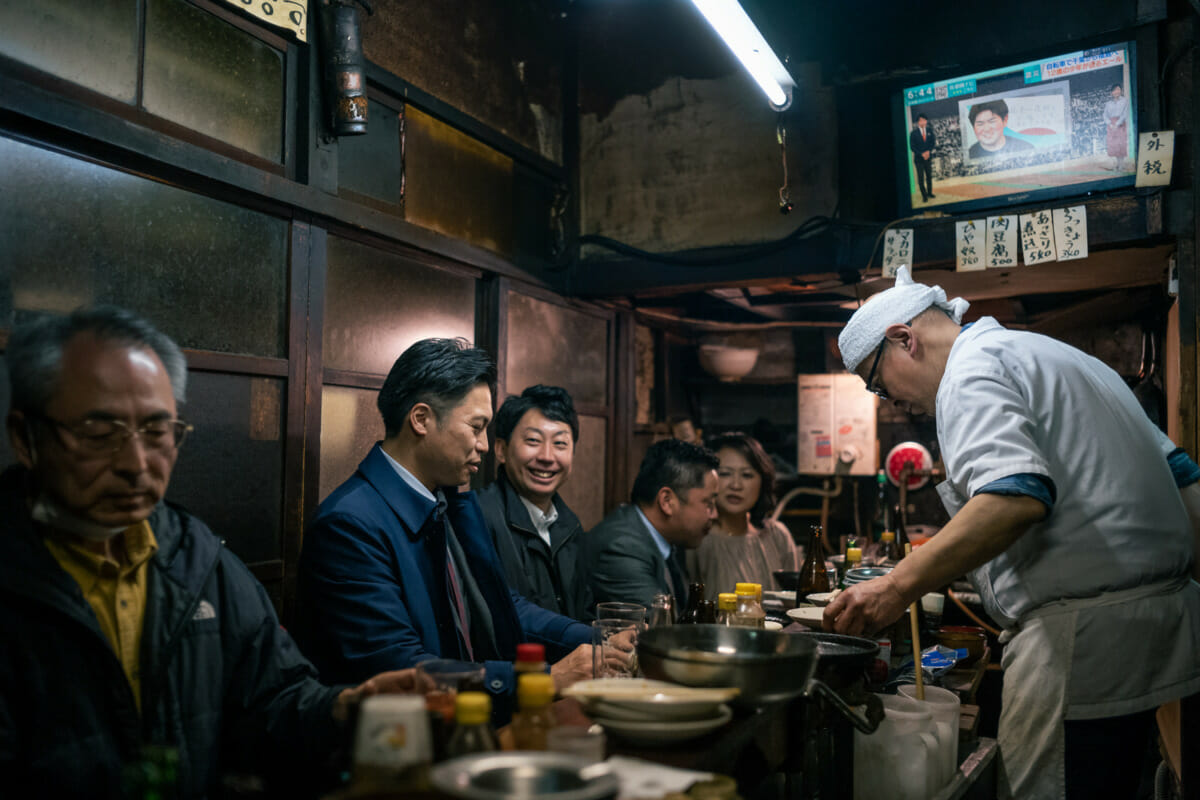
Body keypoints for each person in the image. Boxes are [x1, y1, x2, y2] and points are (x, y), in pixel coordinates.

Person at [0, 307, 417, 798]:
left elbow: (272, 701)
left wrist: (342, 708)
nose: (136, 464)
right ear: (26, 440)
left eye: (157, 432)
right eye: (100, 434)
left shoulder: (197, 558)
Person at [828, 267, 1200, 799]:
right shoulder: (1060, 358)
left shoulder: (969, 372)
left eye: (879, 385)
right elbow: (1182, 475)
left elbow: (1014, 497)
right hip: (1155, 633)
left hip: (1080, 646)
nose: (891, 402)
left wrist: (894, 586)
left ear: (903, 339)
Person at [296, 338, 593, 711]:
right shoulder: (349, 526)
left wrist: (594, 640)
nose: (484, 445)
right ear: (421, 419)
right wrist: (546, 680)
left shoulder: (443, 499)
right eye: (476, 426)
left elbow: (498, 603)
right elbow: (402, 668)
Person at [477, 385, 591, 620]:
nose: (547, 457)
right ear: (501, 449)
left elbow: (584, 610)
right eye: (533, 440)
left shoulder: (571, 525)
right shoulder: (480, 516)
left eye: (560, 444)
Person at [581, 439, 719, 610]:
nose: (714, 514)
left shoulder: (667, 538)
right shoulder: (622, 548)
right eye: (708, 503)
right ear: (667, 501)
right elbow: (659, 630)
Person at [687, 433, 798, 600]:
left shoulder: (777, 536)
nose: (736, 485)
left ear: (762, 482)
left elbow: (796, 602)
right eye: (725, 473)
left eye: (747, 475)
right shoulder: (696, 540)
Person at [967, 99, 1034, 159]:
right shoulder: (969, 155)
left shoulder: (1026, 149)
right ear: (973, 127)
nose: (987, 129)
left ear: (1005, 120)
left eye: (992, 121)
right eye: (980, 124)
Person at [909, 113, 937, 201]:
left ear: (926, 121)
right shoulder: (913, 133)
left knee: (929, 176)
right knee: (921, 179)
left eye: (924, 120)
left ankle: (929, 193)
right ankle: (924, 196)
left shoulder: (929, 130)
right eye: (921, 120)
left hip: (928, 157)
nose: (923, 122)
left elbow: (933, 142)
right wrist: (921, 154)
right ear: (918, 122)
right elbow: (912, 147)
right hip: (919, 160)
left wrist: (928, 151)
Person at [1104, 83, 1129, 171]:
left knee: (1121, 145)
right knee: (1114, 146)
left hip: (1121, 124)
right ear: (1111, 92)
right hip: (1111, 125)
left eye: (1118, 89)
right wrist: (1110, 124)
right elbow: (1105, 115)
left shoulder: (1125, 101)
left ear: (1121, 91)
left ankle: (1121, 165)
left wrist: (1117, 123)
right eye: (1114, 90)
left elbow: (1125, 114)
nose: (1117, 92)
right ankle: (1118, 165)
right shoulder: (1108, 104)